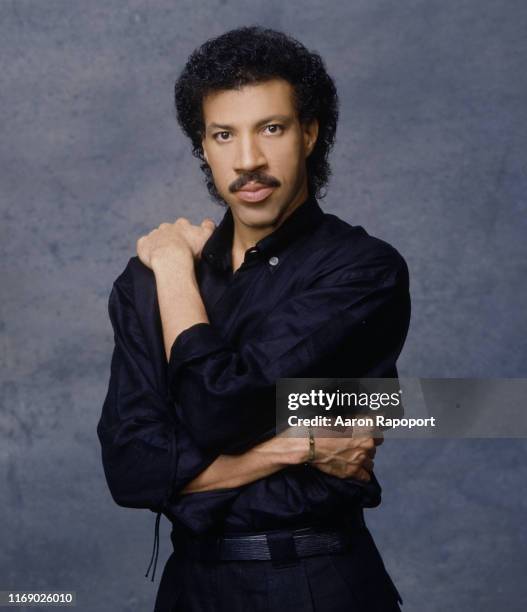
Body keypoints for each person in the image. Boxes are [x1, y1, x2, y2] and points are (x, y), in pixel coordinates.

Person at [97, 25, 411, 612]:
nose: (248, 160)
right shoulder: (146, 282)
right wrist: (297, 448)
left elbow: (221, 408)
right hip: (188, 586)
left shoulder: (362, 271)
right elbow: (131, 469)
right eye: (224, 134)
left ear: (310, 133)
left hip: (313, 581)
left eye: (272, 128)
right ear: (204, 146)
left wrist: (171, 274)